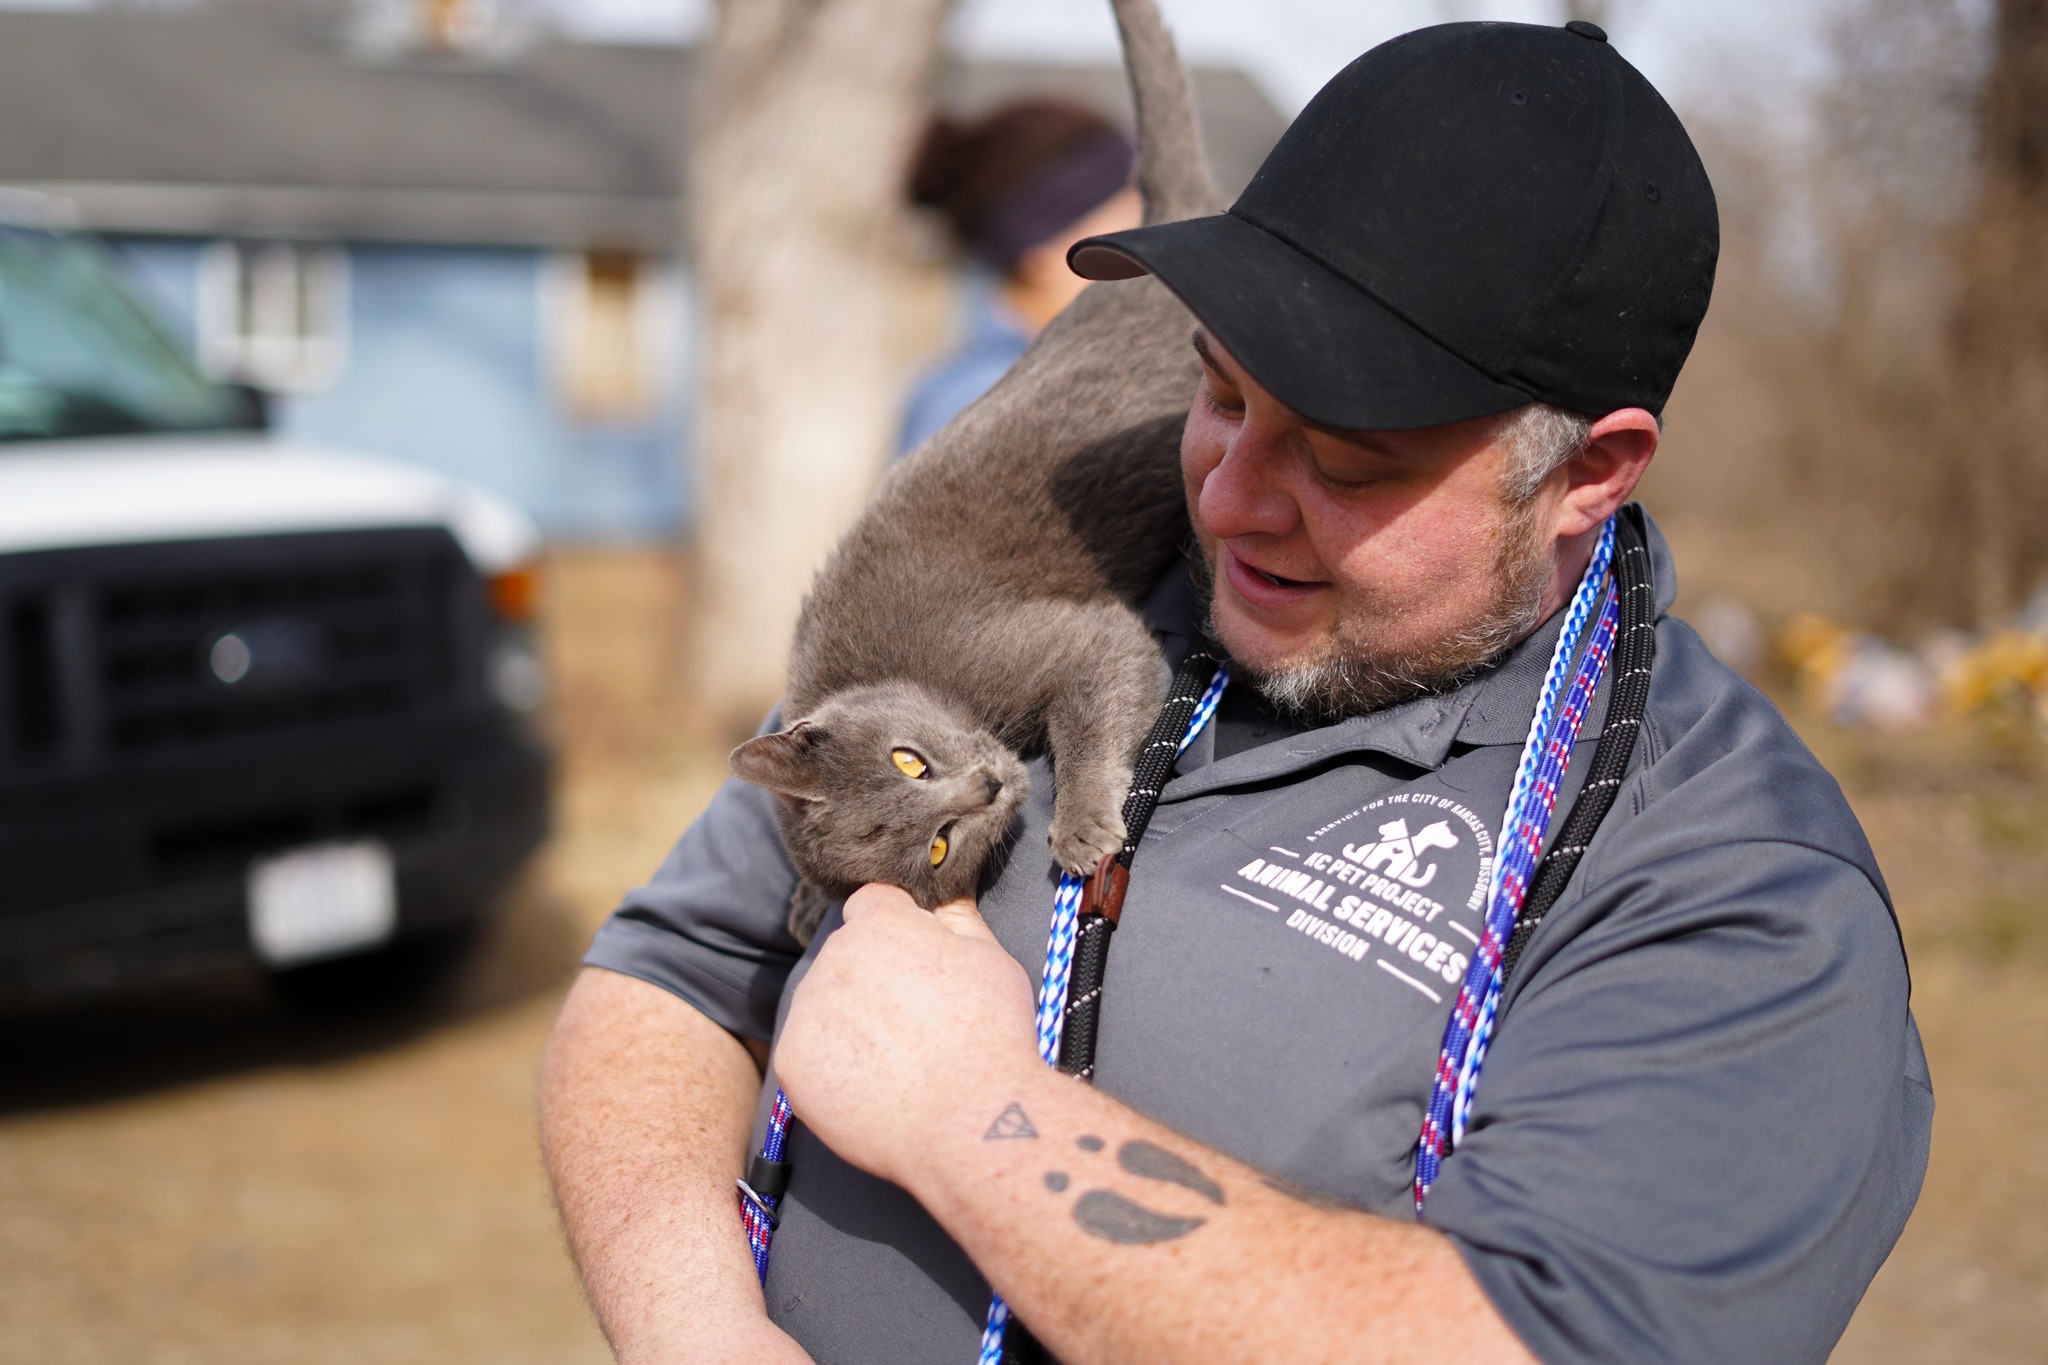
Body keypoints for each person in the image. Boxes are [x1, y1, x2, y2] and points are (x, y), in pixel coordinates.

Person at [541, 21, 1930, 1365]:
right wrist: (691, 1325)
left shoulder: (1735, 886)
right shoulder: (1085, 554)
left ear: (1589, 471)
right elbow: (672, 970)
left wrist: (974, 1116)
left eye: (1346, 460)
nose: (1227, 497)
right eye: (1221, 395)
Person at [895, 99, 1144, 456]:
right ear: (1042, 255)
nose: (1150, 259)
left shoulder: (1020, 385)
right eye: (1132, 231)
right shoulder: (992, 405)